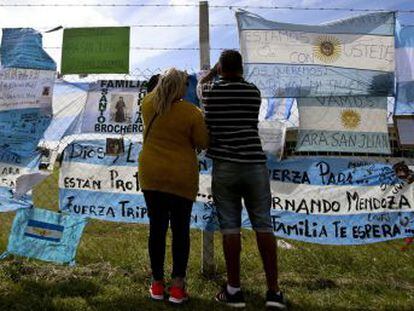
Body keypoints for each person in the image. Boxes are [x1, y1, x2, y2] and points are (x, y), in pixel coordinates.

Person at [198, 50, 287, 309]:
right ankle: (273, 292)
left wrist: (213, 72)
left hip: (225, 165)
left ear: (221, 67)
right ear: (242, 69)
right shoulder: (253, 92)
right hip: (254, 164)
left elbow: (202, 85)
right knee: (263, 225)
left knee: (230, 228)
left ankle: (234, 290)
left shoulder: (212, 92)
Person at [138, 68, 209, 304]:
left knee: (156, 230)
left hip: (151, 175)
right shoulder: (192, 113)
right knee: (180, 231)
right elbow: (202, 142)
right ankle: (177, 287)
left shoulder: (147, 104)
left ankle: (157, 284)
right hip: (180, 177)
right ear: (181, 87)